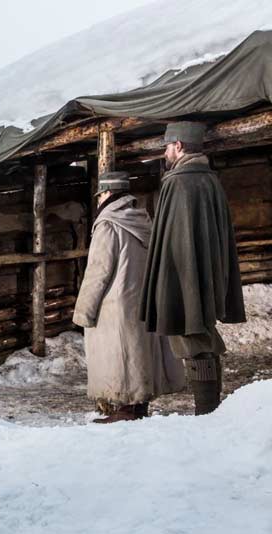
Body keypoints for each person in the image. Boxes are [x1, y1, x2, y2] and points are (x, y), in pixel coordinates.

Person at [140, 122, 246, 415]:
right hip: (206, 272)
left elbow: (176, 241)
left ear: (179, 146)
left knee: (192, 338)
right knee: (202, 334)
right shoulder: (209, 180)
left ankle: (207, 409)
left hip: (184, 275)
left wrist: (172, 281)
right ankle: (210, 407)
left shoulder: (178, 182)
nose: (165, 152)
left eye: (167, 146)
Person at [73, 172, 185, 423]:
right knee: (138, 353)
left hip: (116, 304)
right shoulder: (144, 221)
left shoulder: (108, 225)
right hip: (142, 300)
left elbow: (99, 270)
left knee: (121, 355)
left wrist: (84, 311)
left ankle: (125, 410)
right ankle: (138, 407)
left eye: (101, 193)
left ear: (109, 194)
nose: (99, 198)